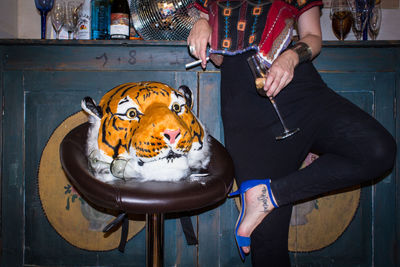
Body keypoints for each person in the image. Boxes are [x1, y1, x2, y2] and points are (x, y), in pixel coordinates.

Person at [187, 0, 397, 266]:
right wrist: (202, 24)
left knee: (377, 150)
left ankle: (267, 196)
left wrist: (290, 57)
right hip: (246, 109)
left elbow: (313, 37)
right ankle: (263, 199)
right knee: (267, 244)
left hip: (300, 90)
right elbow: (217, 57)